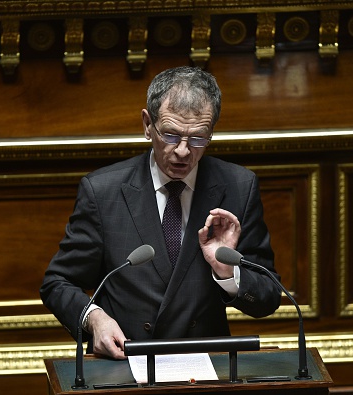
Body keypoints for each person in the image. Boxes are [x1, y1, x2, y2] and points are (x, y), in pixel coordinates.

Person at [40, 66, 281, 360]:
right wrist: (95, 319)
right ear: (146, 124)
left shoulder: (238, 187)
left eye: (197, 139)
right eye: (170, 135)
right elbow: (57, 283)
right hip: (127, 363)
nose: (182, 151)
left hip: (205, 368)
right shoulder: (103, 191)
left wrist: (227, 271)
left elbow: (267, 298)